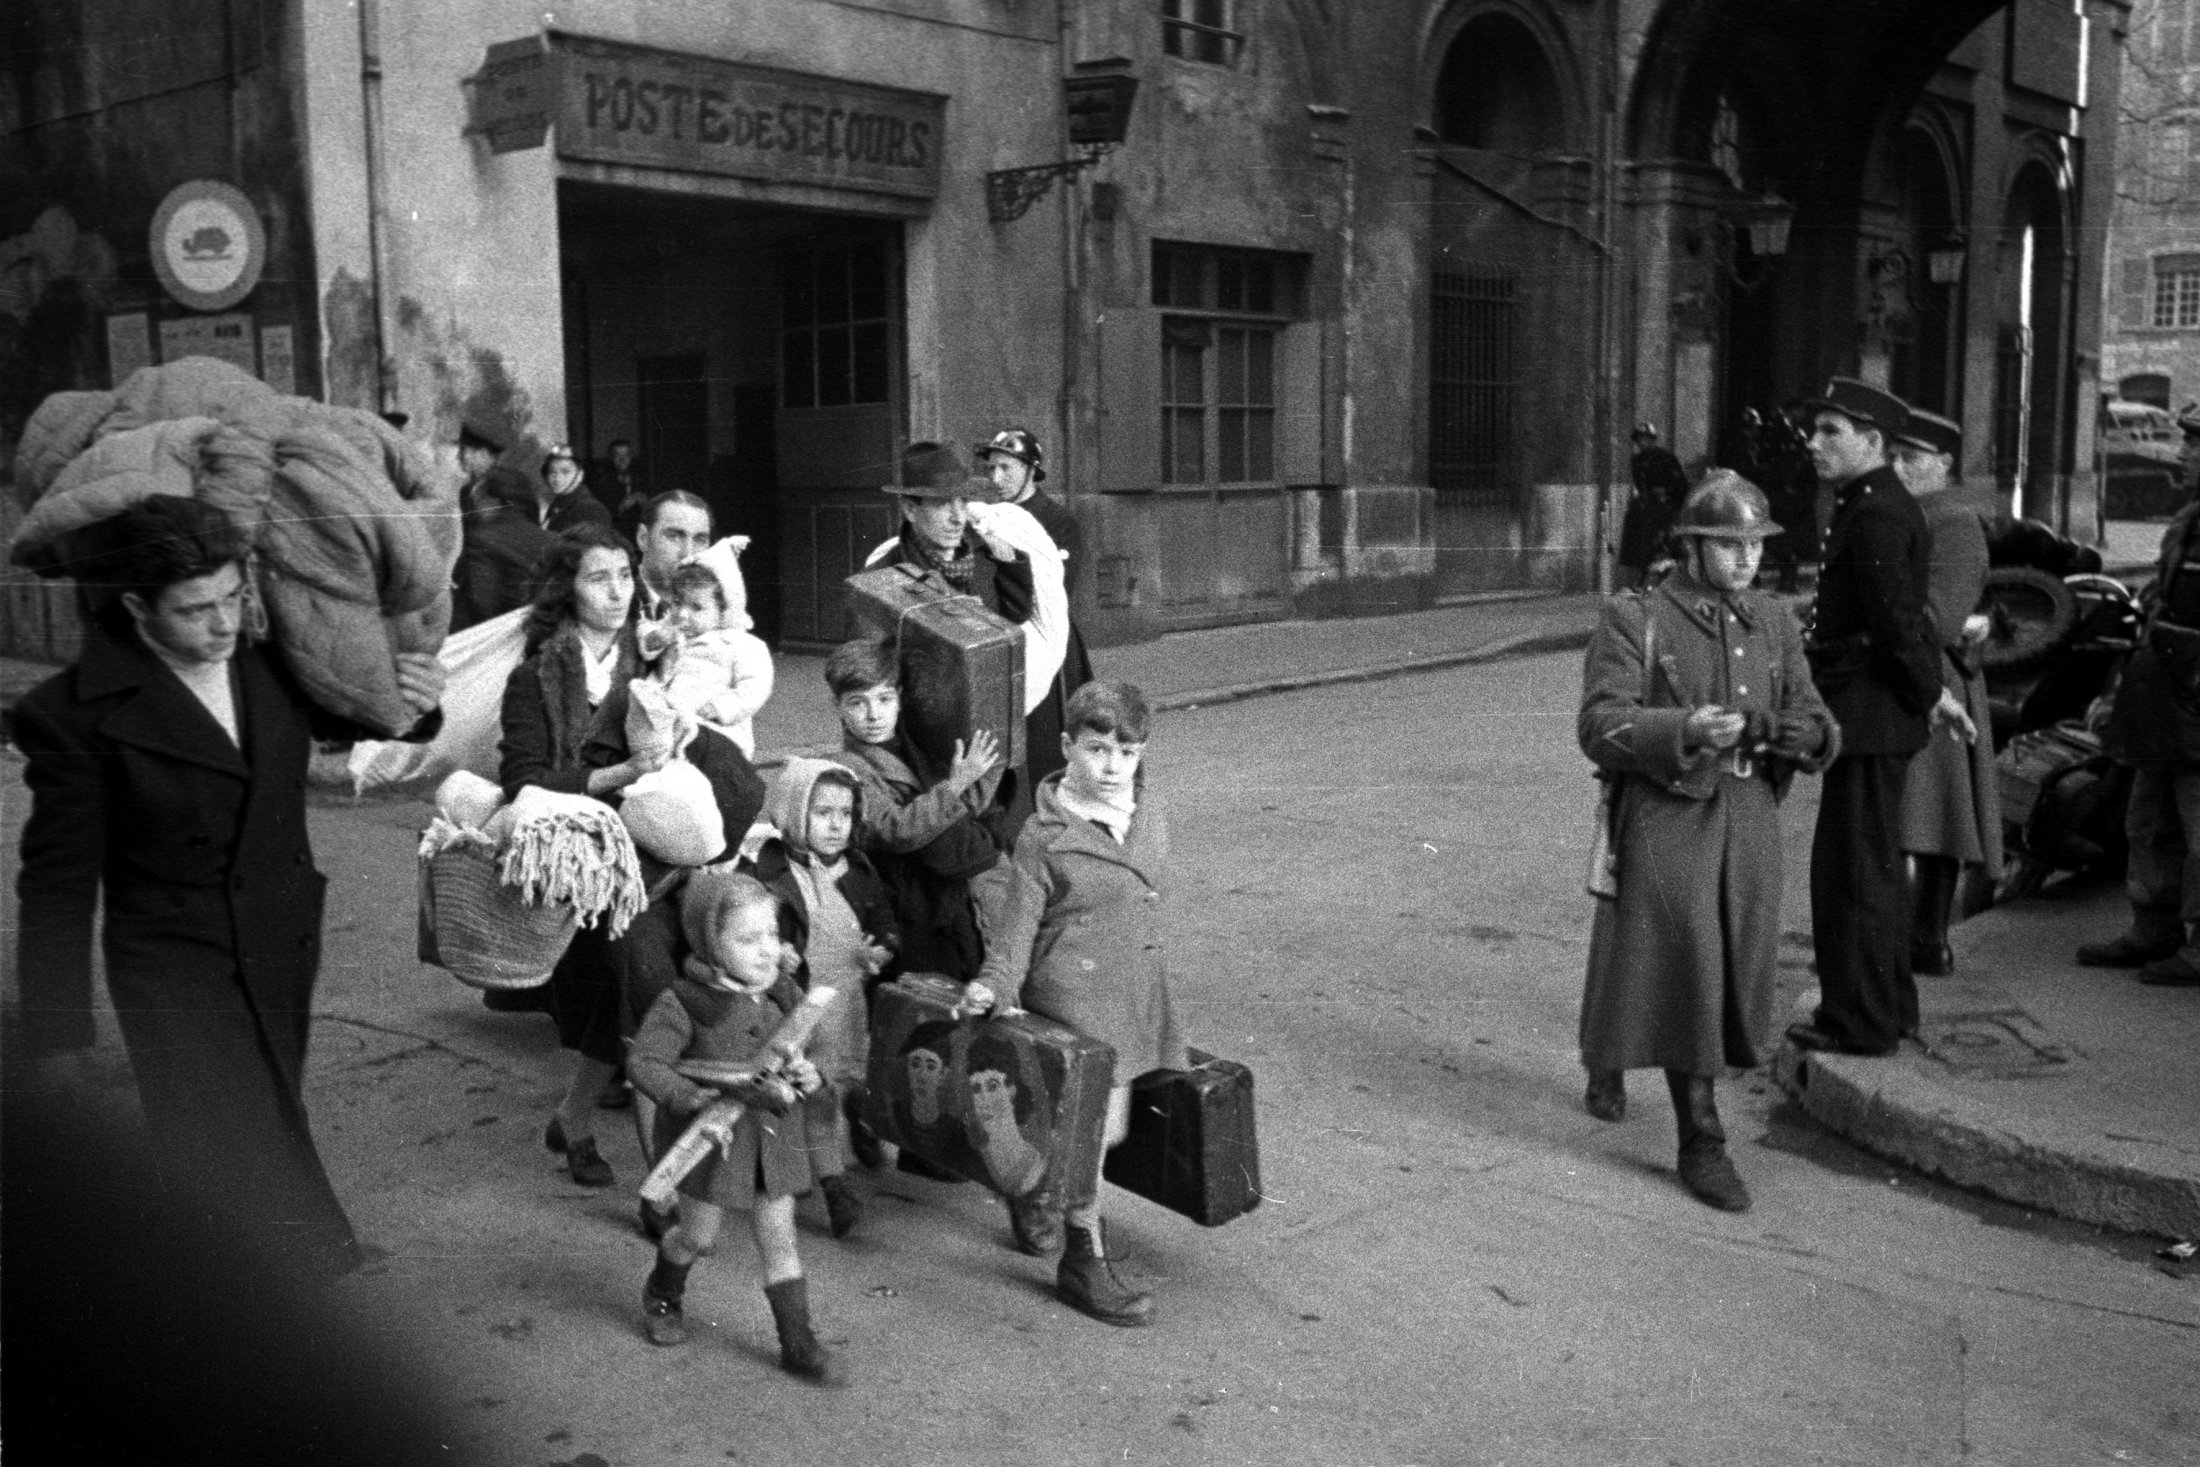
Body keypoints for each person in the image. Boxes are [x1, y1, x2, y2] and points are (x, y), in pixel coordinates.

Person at [12, 496, 446, 1279]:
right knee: (217, 1128)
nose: (221, 624)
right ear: (138, 608)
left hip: (280, 930)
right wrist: (57, 1028)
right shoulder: (70, 715)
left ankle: (293, 1260)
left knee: (269, 1099)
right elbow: (57, 886)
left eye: (231, 597)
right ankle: (258, 1304)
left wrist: (412, 699)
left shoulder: (270, 662)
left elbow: (365, 715)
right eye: (194, 609)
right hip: (172, 958)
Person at [1576, 474, 1837, 1212]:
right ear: (1691, 544)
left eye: (1756, 544)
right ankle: (1701, 1137)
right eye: (1729, 544)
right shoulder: (1637, 615)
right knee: (1688, 956)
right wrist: (1684, 729)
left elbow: (1814, 713)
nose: (1747, 558)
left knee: (1734, 962)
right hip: (1668, 810)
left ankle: (1609, 1052)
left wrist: (1808, 734)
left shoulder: (1776, 620)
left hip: (1751, 812)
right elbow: (1600, 724)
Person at [964, 680, 1185, 1327]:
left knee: (1108, 1130)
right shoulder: (1043, 834)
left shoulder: (1149, 806)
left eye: (1128, 751)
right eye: (1097, 749)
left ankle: (1035, 1188)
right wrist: (995, 984)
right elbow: (1016, 926)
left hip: (1135, 989)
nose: (1113, 767)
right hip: (1075, 997)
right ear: (1066, 746)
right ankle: (1083, 1263)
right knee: (1091, 1134)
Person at [626, 869, 848, 1385]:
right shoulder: (684, 1001)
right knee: (698, 1238)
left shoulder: (786, 994)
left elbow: (819, 1050)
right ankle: (663, 1290)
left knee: (781, 1242)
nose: (767, 950)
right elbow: (645, 1063)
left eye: (772, 934)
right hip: (712, 1142)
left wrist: (813, 1071)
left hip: (774, 1143)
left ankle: (799, 1343)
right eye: (747, 939)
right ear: (709, 941)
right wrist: (686, 1094)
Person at [496, 525, 668, 1187]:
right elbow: (525, 781)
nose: (618, 591)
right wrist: (618, 773)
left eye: (626, 574)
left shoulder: (652, 658)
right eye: (599, 577)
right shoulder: (536, 677)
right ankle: (665, 1186)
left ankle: (576, 1119)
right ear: (568, 586)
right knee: (635, 984)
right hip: (583, 860)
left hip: (660, 848)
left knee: (631, 989)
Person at [1788, 379, 1946, 1057]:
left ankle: (1862, 1021)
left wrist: (1923, 694)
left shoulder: (1876, 511)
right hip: (1871, 710)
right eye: (1816, 430)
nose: (1814, 443)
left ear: (1873, 441)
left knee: (1853, 875)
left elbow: (1898, 626)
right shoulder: (1867, 501)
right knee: (1865, 867)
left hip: (1870, 713)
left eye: (1831, 431)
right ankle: (1889, 1008)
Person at [865, 441, 1071, 841]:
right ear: (910, 509)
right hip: (926, 748)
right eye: (943, 504)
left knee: (1001, 847)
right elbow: (869, 669)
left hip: (993, 738)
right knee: (945, 852)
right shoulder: (885, 575)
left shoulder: (983, 554)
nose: (958, 515)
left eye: (962, 501)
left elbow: (1015, 618)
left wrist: (1010, 565)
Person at [749, 757, 902, 1238]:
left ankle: (858, 1124)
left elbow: (885, 922)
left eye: (845, 814)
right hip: (797, 1003)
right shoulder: (769, 873)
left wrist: (884, 948)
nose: (837, 826)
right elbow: (753, 929)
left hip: (849, 998)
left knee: (847, 1078)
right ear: (795, 813)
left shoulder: (858, 870)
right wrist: (777, 951)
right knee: (813, 1093)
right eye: (822, 813)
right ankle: (835, 1185)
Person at [2076, 422, 2200, 988]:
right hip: (2163, 698)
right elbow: (2159, 610)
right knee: (2149, 819)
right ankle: (2154, 927)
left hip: (2194, 701)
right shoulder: (2189, 521)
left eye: (2196, 446)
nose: (2184, 454)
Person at [1889, 409, 2000, 976]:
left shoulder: (1952, 522)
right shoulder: (1900, 514)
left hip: (1935, 682)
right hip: (1906, 679)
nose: (1899, 466)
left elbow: (1941, 617)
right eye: (1894, 455)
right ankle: (1909, 942)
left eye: (1912, 457)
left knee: (1932, 820)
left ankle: (1926, 940)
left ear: (1945, 463)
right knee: (1908, 818)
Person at [825, 637, 1005, 982]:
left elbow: (962, 808)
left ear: (900, 698)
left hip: (951, 888)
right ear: (839, 708)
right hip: (909, 901)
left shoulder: (916, 742)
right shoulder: (850, 766)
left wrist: (988, 764)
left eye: (884, 699)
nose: (873, 714)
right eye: (857, 703)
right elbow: (894, 830)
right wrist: (956, 783)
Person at [975, 426, 1096, 703]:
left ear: (1030, 470)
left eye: (1006, 468)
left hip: (1044, 637)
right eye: (992, 469)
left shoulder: (1057, 521)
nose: (996, 478)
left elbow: (1055, 591)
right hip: (998, 635)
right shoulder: (990, 517)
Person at [647, 549, 775, 759]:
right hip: (668, 729)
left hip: (715, 732)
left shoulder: (739, 644)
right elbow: (646, 645)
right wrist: (656, 640)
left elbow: (755, 686)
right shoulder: (672, 635)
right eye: (677, 604)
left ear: (723, 609)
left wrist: (721, 708)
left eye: (697, 607)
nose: (683, 614)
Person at [451, 460, 558, 631]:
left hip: (501, 639)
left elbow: (481, 603)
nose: (475, 509)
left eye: (478, 499)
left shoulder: (482, 539)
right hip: (542, 636)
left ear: (495, 500)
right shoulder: (553, 540)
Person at [1617, 423, 1690, 590]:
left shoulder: (1666, 458)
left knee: (1659, 545)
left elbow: (1680, 485)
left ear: (1653, 440)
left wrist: (1671, 501)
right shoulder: (1636, 460)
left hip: (1663, 508)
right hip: (1644, 507)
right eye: (1639, 440)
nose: (1643, 443)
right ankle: (1640, 576)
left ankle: (1657, 579)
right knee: (1636, 542)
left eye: (1646, 439)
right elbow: (1640, 484)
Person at [633, 490, 716, 621]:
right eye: (674, 536)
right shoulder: (615, 602)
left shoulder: (714, 609)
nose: (688, 554)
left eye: (700, 539)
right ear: (643, 538)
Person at [535, 442, 614, 537]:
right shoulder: (559, 502)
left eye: (565, 471)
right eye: (552, 471)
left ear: (580, 475)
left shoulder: (591, 509)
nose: (557, 478)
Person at [455, 418, 531, 516]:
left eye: (463, 450)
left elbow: (526, 525)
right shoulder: (465, 492)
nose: (459, 456)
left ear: (482, 453)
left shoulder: (511, 482)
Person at [595, 438, 649, 536]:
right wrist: (622, 505)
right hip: (614, 532)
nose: (622, 459)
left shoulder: (639, 476)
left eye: (626, 455)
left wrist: (643, 501)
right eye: (617, 455)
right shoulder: (601, 480)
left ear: (631, 456)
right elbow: (600, 513)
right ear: (611, 457)